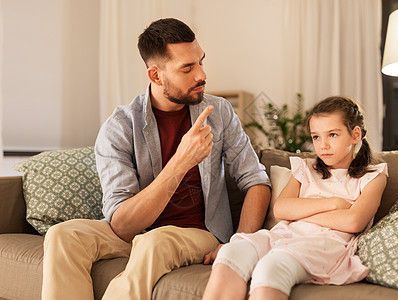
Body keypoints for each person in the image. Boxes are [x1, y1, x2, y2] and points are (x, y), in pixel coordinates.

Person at [41, 18, 271, 300]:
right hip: (138, 231)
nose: (202, 74)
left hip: (199, 233)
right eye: (187, 68)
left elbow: (256, 180)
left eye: (200, 61)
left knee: (154, 242)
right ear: (155, 76)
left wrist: (239, 245)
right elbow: (122, 225)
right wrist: (181, 162)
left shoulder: (219, 112)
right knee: (63, 235)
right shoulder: (121, 126)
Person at [203, 96, 388, 300]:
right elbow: (281, 209)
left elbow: (353, 221)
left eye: (332, 135)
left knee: (272, 265)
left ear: (355, 134)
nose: (323, 145)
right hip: (286, 234)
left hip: (326, 245)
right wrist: (333, 204)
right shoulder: (306, 168)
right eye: (316, 137)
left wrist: (300, 213)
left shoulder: (373, 176)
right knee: (231, 251)